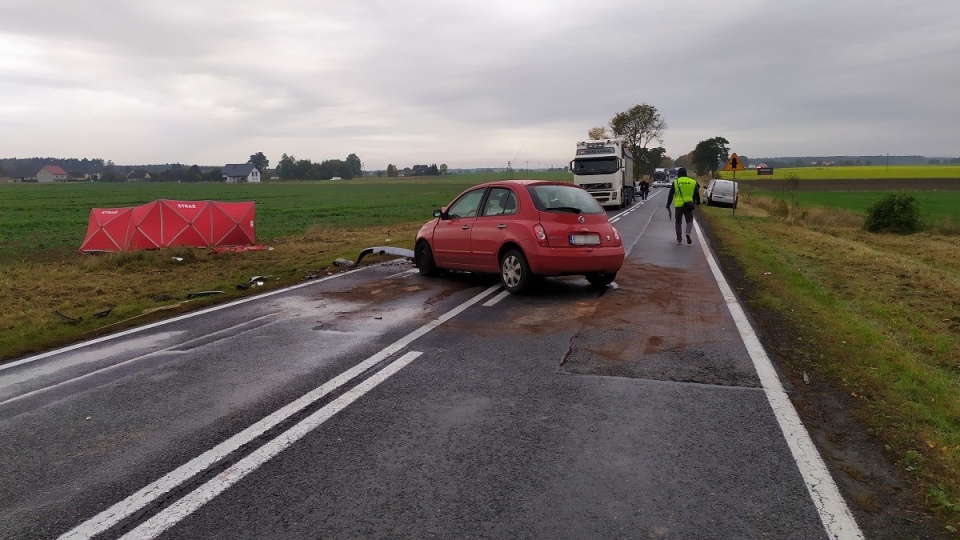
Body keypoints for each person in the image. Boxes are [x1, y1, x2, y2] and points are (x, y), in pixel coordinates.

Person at [665, 167, 701, 244]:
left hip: (678, 205)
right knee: (689, 221)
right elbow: (696, 194)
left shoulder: (675, 182)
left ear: (678, 174)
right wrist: (697, 202)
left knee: (678, 222)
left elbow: (670, 195)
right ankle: (687, 232)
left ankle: (679, 239)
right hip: (688, 204)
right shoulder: (692, 182)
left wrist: (668, 205)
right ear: (686, 174)